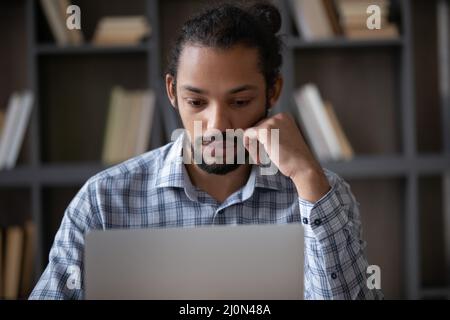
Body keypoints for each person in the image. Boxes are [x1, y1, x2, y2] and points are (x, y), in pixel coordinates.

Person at [30, 1, 383, 300]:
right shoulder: (102, 201)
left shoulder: (324, 195)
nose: (216, 124)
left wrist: (308, 177)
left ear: (273, 91)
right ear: (172, 92)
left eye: (240, 101)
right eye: (196, 101)